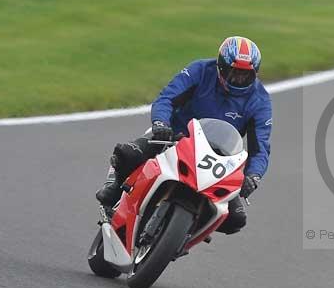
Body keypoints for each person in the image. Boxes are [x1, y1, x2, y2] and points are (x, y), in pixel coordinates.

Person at [95, 36, 272, 235]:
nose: (239, 80)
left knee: (235, 220)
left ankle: (187, 232)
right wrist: (161, 123)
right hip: (174, 138)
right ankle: (115, 184)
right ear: (221, 67)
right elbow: (167, 98)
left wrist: (253, 176)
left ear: (255, 74)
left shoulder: (260, 101)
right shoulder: (200, 70)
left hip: (217, 159)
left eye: (245, 75)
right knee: (128, 153)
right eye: (234, 73)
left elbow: (261, 148)